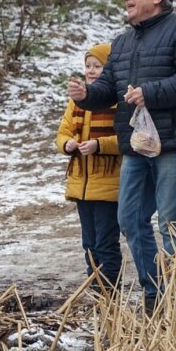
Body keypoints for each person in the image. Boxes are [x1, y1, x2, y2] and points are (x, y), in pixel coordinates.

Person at [66, 0, 176, 316]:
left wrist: (151, 93)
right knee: (130, 219)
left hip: (174, 143)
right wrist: (87, 95)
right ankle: (155, 294)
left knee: (172, 225)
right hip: (135, 146)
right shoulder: (123, 41)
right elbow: (109, 90)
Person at [56, 43, 122, 292]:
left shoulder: (116, 101)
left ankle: (108, 294)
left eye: (98, 66)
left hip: (108, 184)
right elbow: (61, 133)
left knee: (106, 244)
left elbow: (128, 140)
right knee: (89, 244)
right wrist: (68, 144)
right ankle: (96, 292)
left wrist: (99, 145)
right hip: (81, 183)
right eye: (88, 66)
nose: (91, 71)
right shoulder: (76, 102)